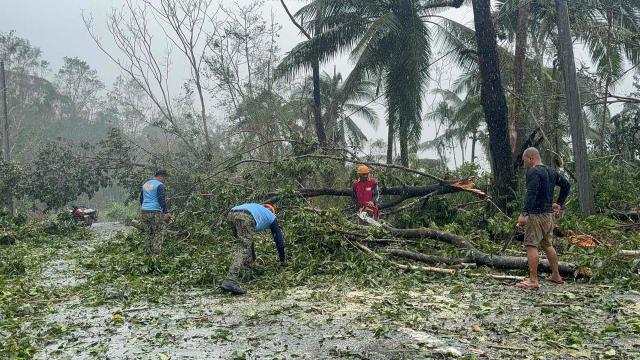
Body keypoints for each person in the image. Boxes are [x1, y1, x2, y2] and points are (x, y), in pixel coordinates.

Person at [515, 147, 570, 289]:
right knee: (547, 244)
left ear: (531, 158)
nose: (524, 164)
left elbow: (531, 193)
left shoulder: (533, 171)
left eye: (524, 161)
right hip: (548, 215)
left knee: (531, 245)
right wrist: (559, 203)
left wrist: (524, 213)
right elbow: (566, 185)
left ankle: (533, 280)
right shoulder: (551, 171)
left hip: (536, 215)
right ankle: (556, 275)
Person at [221, 203, 285, 295]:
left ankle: (247, 275)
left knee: (244, 245)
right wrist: (282, 260)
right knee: (243, 248)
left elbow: (249, 242)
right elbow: (279, 241)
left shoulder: (257, 209)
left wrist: (253, 260)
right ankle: (230, 280)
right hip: (245, 215)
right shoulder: (271, 216)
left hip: (232, 214)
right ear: (272, 211)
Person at [139, 170, 170, 256]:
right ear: (160, 176)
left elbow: (141, 198)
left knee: (148, 232)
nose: (164, 180)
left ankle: (147, 254)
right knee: (158, 232)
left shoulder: (146, 185)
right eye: (164, 178)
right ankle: (156, 255)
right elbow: (161, 199)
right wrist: (165, 212)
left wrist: (144, 207)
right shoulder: (159, 185)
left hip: (144, 211)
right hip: (155, 211)